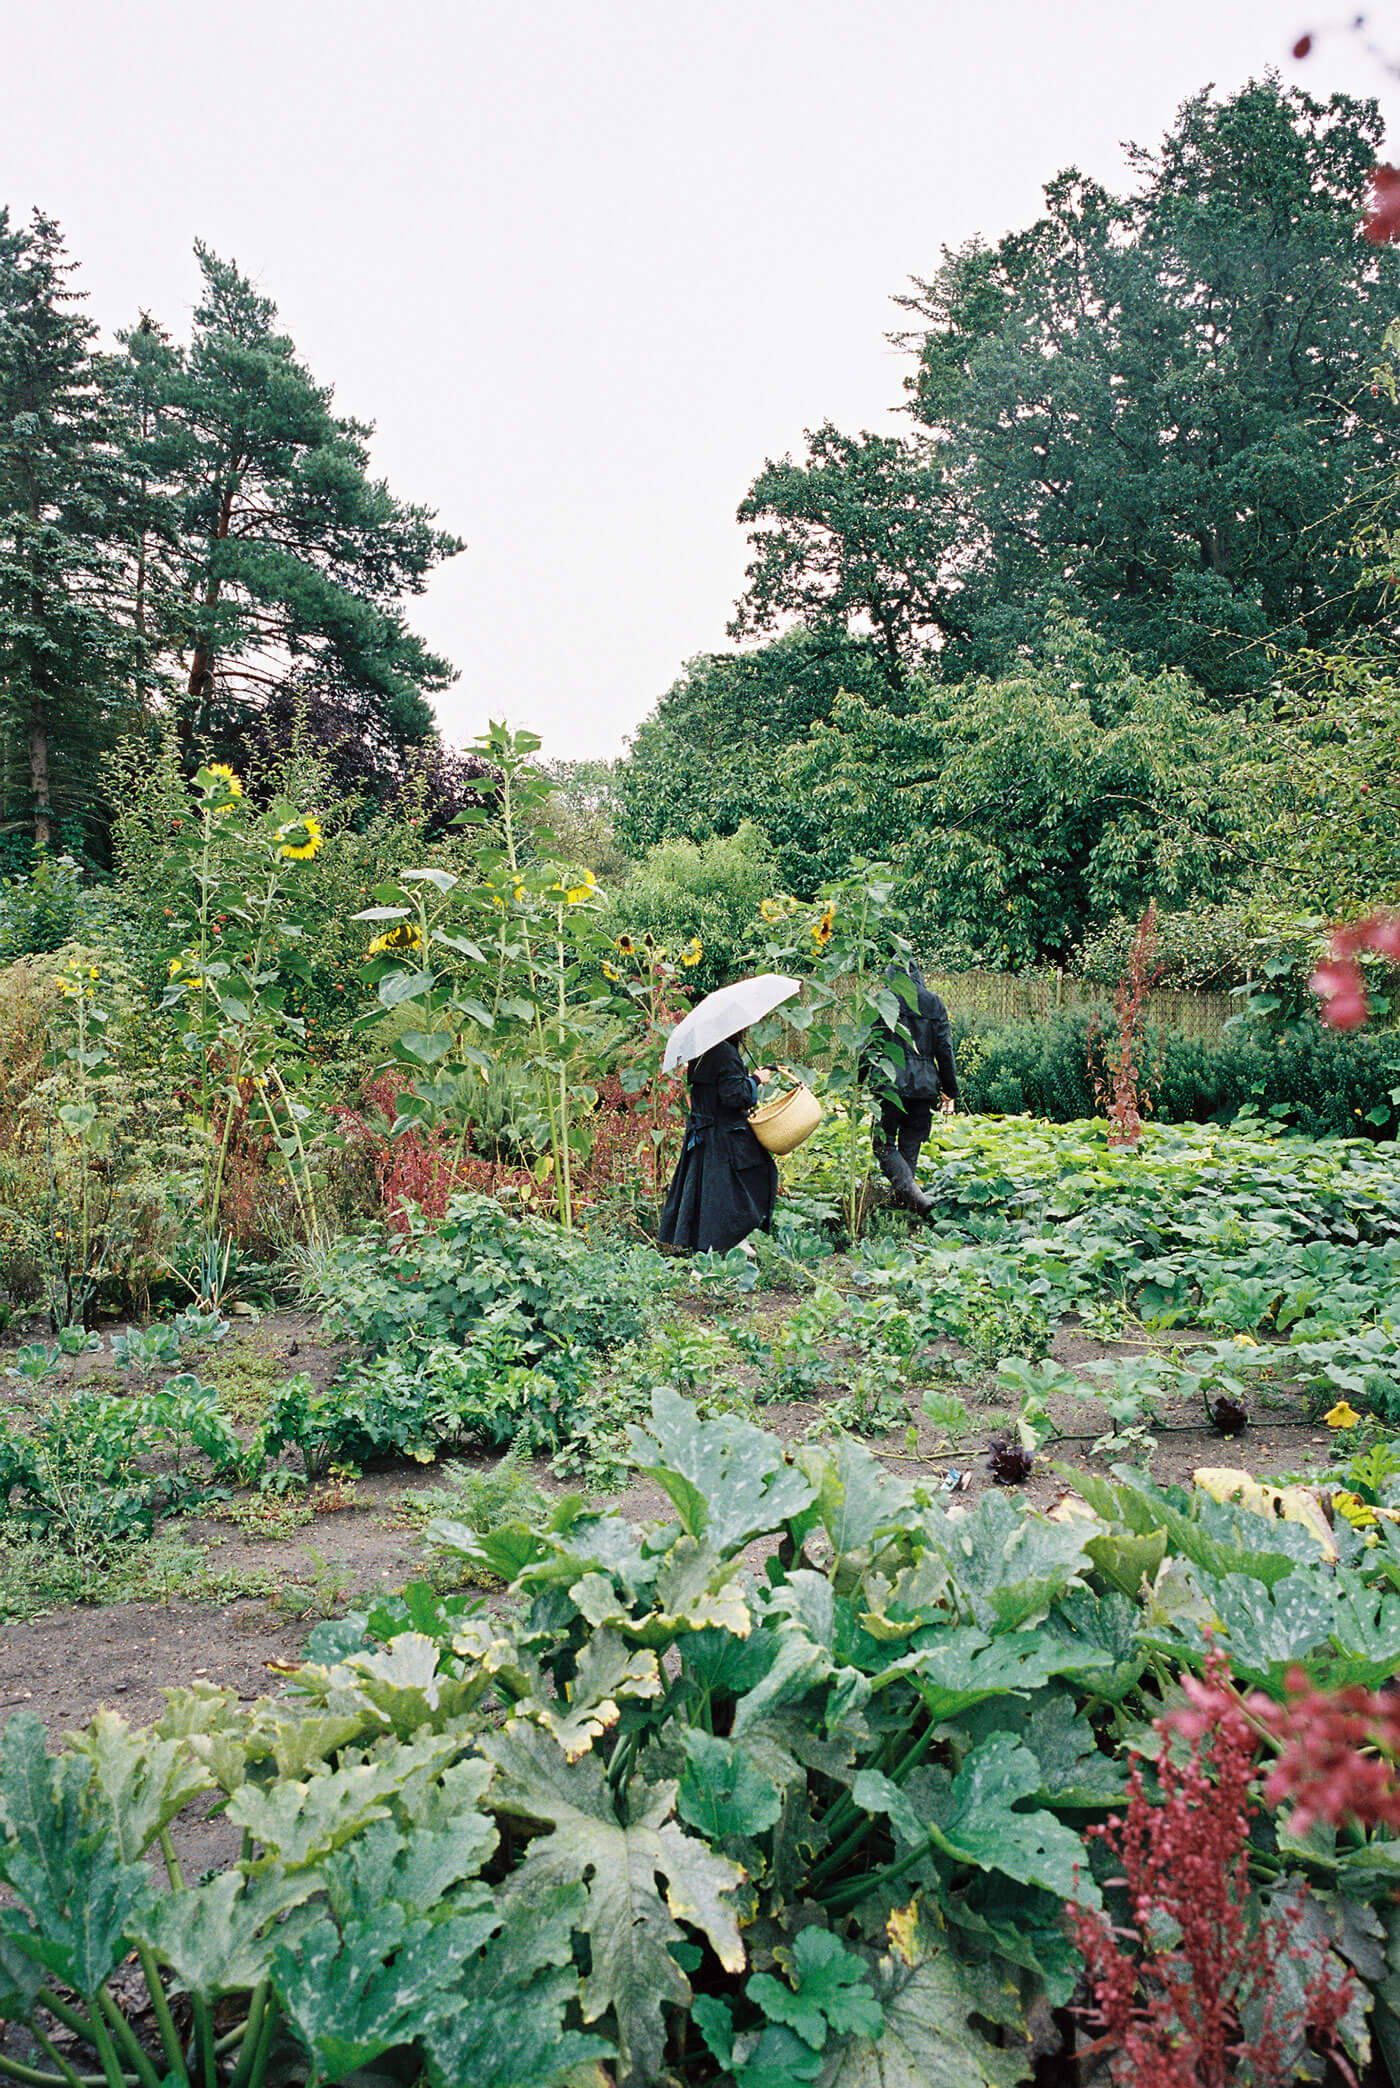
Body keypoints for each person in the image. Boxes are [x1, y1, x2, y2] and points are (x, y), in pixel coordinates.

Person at [658, 1030, 778, 1253]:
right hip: (724, 1135)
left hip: (705, 1133)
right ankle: (731, 1240)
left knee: (711, 1193)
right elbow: (734, 1096)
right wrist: (755, 1080)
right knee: (757, 1176)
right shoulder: (724, 1052)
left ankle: (729, 1241)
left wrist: (747, 1078)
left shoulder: (704, 1050)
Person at [866, 964, 958, 1219]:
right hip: (925, 1086)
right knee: (910, 1146)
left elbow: (869, 1045)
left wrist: (859, 1081)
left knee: (882, 1145)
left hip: (889, 1084)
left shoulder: (882, 1000)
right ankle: (910, 1212)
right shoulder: (934, 1003)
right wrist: (950, 1088)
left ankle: (914, 1197)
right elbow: (945, 1048)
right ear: (918, 976)